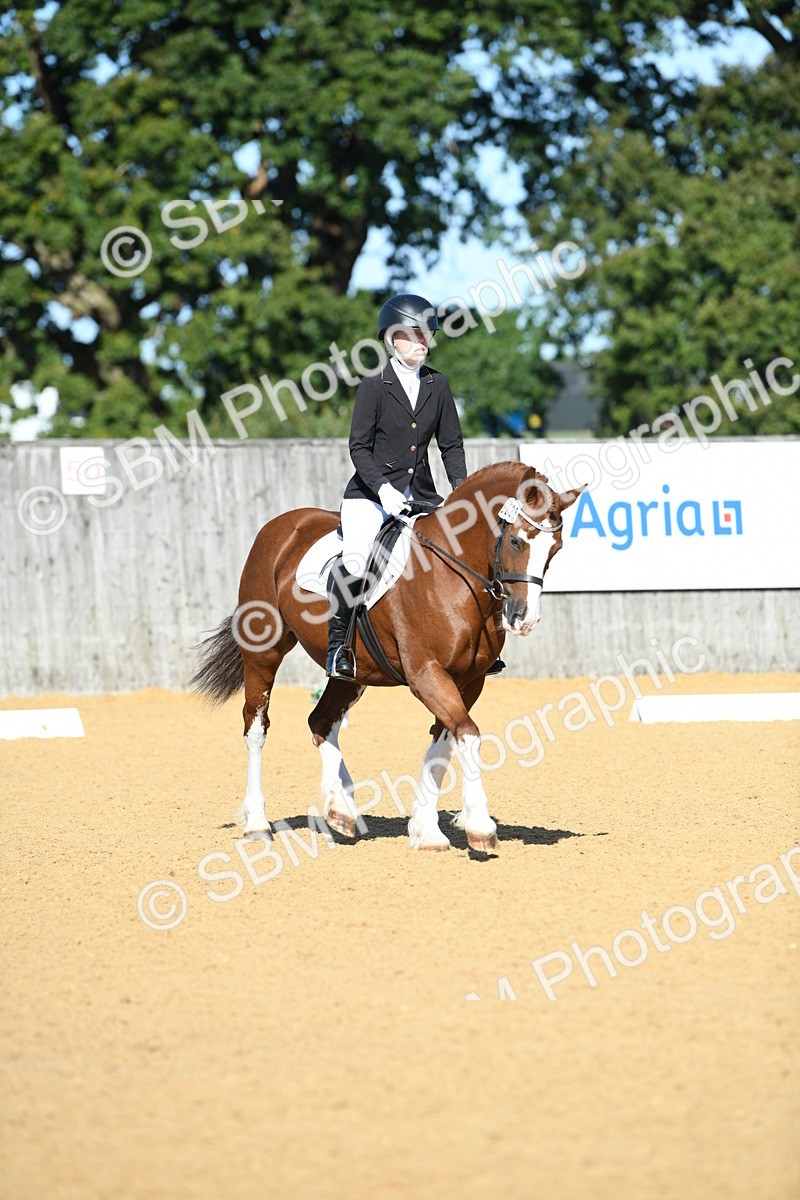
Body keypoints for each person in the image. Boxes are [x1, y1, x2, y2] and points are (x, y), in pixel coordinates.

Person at [325, 293, 505, 680]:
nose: (423, 341)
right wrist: (385, 491)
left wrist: (462, 492)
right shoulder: (375, 384)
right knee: (356, 560)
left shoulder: (437, 384)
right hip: (371, 496)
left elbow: (451, 445)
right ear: (392, 339)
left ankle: (480, 644)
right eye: (414, 334)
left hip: (422, 494)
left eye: (427, 335)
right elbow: (358, 446)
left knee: (467, 548)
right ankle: (339, 646)